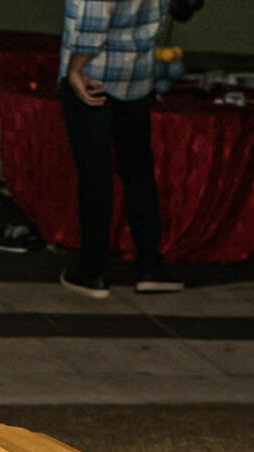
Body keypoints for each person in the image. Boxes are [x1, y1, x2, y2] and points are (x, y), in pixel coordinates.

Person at [59, 0, 182, 297]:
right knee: (138, 172)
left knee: (95, 176)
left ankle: (93, 271)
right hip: (137, 76)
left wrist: (75, 69)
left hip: (94, 77)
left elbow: (93, 21)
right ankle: (150, 266)